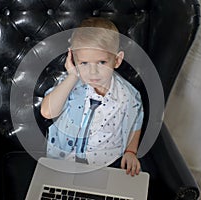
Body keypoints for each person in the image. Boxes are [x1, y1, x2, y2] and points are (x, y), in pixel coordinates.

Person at [40, 17, 144, 176]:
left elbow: (136, 120)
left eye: (102, 62)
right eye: (84, 63)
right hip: (64, 161)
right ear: (74, 60)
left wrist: (131, 151)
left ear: (117, 60)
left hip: (106, 164)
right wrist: (72, 77)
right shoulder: (69, 83)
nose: (92, 72)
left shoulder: (127, 96)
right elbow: (47, 112)